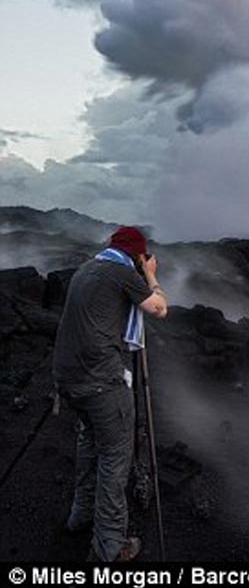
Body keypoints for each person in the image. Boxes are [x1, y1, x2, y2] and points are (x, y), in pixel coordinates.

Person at [52, 225, 168, 562]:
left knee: (89, 443)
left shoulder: (86, 269)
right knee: (115, 459)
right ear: (136, 255)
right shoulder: (123, 273)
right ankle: (109, 548)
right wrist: (150, 276)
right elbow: (160, 309)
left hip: (67, 378)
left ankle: (80, 514)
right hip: (100, 382)